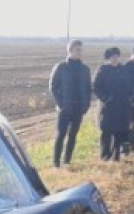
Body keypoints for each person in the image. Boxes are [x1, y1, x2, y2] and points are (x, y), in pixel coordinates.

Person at [49, 39, 92, 168]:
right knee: (61, 134)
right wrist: (61, 104)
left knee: (73, 135)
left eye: (81, 50)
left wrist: (86, 105)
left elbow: (89, 89)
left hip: (79, 108)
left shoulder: (85, 69)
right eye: (77, 49)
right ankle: (56, 163)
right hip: (64, 108)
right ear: (70, 50)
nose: (80, 52)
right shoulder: (61, 67)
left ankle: (67, 161)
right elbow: (53, 87)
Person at [94, 47, 131, 161]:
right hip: (108, 108)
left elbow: (128, 85)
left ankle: (116, 156)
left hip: (121, 107)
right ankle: (105, 156)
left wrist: (129, 97)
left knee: (119, 132)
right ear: (108, 58)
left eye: (117, 56)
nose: (115, 58)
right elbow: (96, 87)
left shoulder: (122, 69)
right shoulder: (102, 70)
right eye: (113, 56)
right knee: (106, 133)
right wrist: (105, 98)